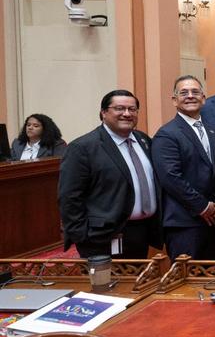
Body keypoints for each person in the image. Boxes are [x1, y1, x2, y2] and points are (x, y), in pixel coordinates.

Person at [58, 90, 163, 258]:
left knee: (138, 283)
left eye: (132, 109)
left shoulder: (143, 140)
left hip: (142, 232)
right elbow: (69, 197)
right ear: (104, 113)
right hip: (102, 236)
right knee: (106, 284)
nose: (127, 114)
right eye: (119, 108)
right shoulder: (83, 147)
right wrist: (82, 237)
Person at [152, 75, 215, 259]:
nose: (190, 96)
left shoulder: (214, 131)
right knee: (187, 282)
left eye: (195, 92)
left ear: (203, 98)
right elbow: (171, 177)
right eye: (184, 93)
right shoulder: (166, 134)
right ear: (174, 100)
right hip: (184, 223)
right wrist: (202, 207)